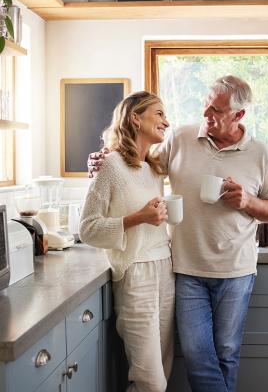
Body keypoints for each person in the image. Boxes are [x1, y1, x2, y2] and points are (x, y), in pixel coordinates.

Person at [89, 75, 268, 392]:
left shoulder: (261, 153)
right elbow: (141, 165)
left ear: (239, 115)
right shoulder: (180, 138)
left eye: (216, 110)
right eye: (206, 105)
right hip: (185, 268)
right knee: (195, 353)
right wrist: (105, 158)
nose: (206, 115)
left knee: (227, 354)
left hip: (237, 270)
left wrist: (247, 201)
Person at [80, 91, 175, 392]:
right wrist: (139, 217)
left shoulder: (154, 169)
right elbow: (88, 228)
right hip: (135, 274)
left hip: (165, 269)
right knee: (150, 382)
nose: (167, 121)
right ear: (135, 117)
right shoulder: (110, 165)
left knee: (164, 367)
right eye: (159, 113)